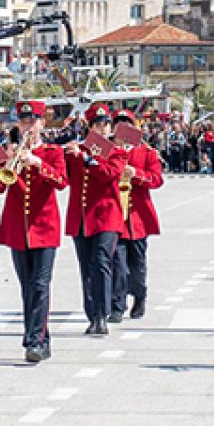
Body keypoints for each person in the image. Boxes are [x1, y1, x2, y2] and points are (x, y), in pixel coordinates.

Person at [0, 101, 67, 363]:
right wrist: (6, 161)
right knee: (27, 286)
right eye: (23, 121)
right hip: (18, 228)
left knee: (40, 284)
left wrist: (37, 163)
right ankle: (40, 338)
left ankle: (34, 339)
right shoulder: (11, 152)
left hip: (44, 226)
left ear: (42, 124)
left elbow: (61, 182)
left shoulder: (52, 152)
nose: (28, 126)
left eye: (33, 121)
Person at [64, 103, 128, 336]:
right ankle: (91, 314)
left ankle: (101, 315)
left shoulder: (117, 151)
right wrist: (64, 154)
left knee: (101, 262)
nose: (102, 130)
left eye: (106, 125)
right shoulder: (77, 150)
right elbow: (64, 178)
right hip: (81, 217)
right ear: (89, 128)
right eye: (97, 126)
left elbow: (109, 174)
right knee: (86, 268)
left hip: (106, 216)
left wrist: (87, 159)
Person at [109, 109, 163, 323]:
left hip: (138, 217)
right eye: (118, 124)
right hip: (115, 217)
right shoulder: (108, 150)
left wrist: (137, 174)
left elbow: (157, 179)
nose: (122, 128)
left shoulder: (146, 151)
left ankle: (140, 297)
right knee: (118, 264)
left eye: (127, 124)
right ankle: (117, 305)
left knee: (138, 265)